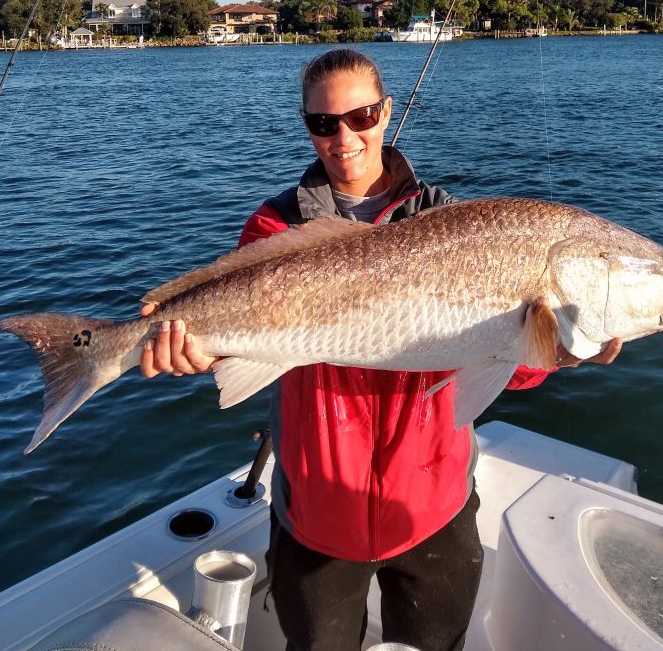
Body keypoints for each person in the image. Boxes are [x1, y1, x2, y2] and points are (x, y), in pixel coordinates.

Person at [141, 48, 621, 651]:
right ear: (306, 124)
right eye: (323, 123)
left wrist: (555, 352)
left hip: (432, 505)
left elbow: (503, 364)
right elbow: (239, 339)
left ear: (386, 111)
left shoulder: (449, 222)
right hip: (316, 511)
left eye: (361, 116)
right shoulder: (275, 228)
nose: (344, 137)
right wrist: (192, 354)